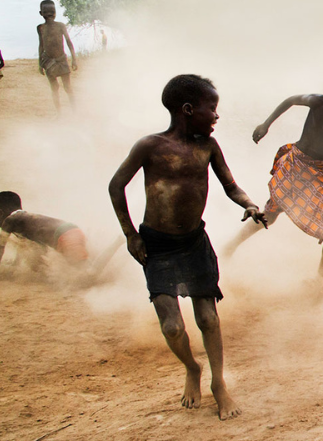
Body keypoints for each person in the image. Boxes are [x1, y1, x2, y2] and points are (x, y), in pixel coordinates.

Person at [108, 74, 267, 420]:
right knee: (172, 327)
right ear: (187, 109)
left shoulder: (207, 148)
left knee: (208, 318)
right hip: (157, 246)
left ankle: (219, 384)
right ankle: (191, 368)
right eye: (212, 108)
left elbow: (231, 185)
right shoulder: (150, 146)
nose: (216, 116)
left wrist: (250, 204)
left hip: (194, 243)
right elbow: (115, 185)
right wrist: (130, 234)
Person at [222, 64, 323, 278]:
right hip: (298, 165)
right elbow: (290, 100)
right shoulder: (318, 102)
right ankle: (231, 246)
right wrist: (266, 124)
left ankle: (319, 279)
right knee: (271, 213)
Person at [0, 191, 89, 274]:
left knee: (86, 273)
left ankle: (106, 256)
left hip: (65, 236)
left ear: (0, 213)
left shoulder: (10, 220)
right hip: (70, 232)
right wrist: (15, 265)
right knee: (80, 268)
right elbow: (27, 249)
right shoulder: (25, 222)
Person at [36, 0, 78, 112]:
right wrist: (40, 63)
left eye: (52, 11)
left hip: (61, 61)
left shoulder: (61, 26)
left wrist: (74, 59)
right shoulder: (40, 28)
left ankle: (75, 111)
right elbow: (41, 45)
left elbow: (69, 42)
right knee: (54, 88)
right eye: (46, 12)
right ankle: (58, 112)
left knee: (68, 87)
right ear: (41, 13)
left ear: (55, 12)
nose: (49, 14)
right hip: (48, 62)